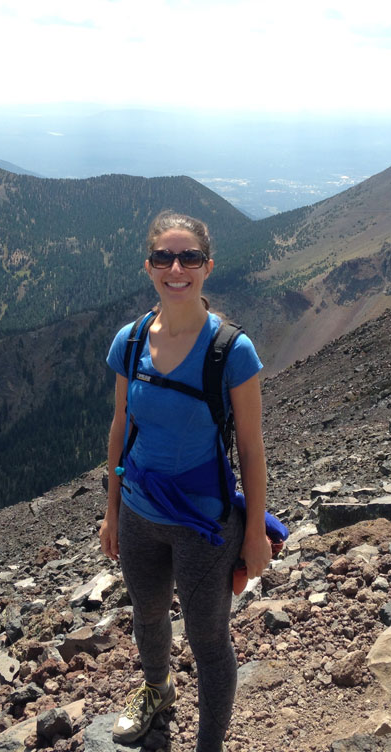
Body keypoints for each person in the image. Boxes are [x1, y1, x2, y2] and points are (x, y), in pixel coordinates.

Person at [100, 210, 272, 751]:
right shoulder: (129, 343)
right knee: (148, 617)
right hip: (138, 512)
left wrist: (253, 534)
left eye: (189, 258)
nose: (177, 268)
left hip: (204, 523)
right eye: (164, 258)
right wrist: (111, 511)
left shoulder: (231, 351)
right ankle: (157, 692)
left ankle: (209, 745)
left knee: (208, 639)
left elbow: (250, 446)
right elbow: (121, 426)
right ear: (149, 267)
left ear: (207, 266)